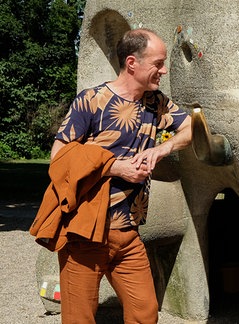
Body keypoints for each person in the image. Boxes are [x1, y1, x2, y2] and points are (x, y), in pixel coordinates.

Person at [36, 28, 192, 323]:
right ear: (132, 63)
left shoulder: (156, 103)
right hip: (84, 232)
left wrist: (161, 149)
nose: (164, 69)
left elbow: (192, 127)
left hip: (128, 233)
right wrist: (115, 167)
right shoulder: (91, 101)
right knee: (79, 317)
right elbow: (58, 158)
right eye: (158, 63)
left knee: (145, 312)